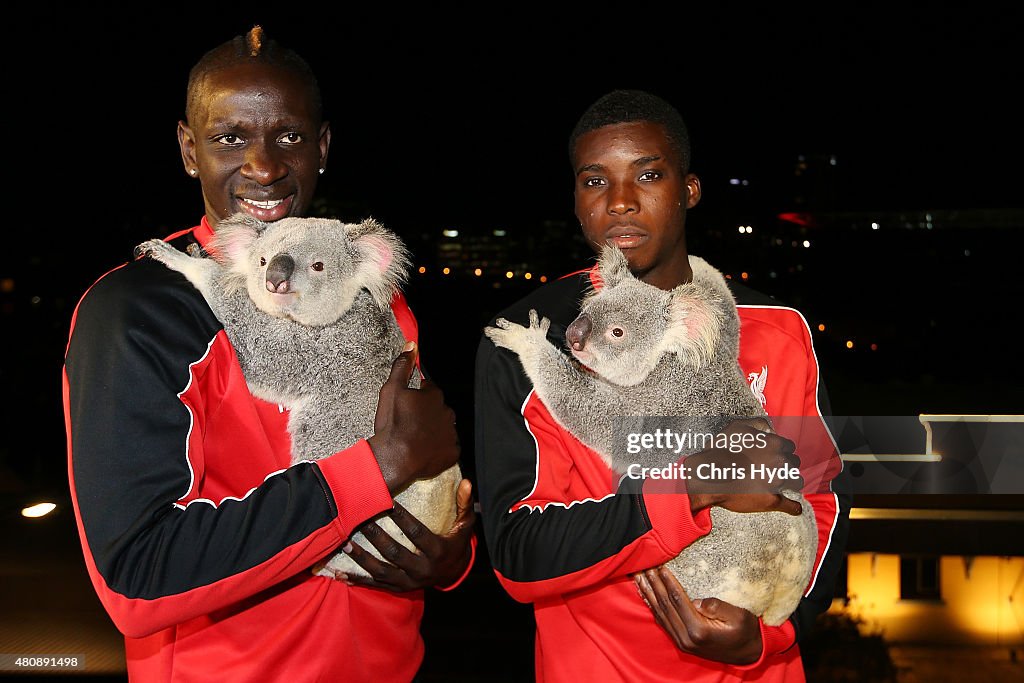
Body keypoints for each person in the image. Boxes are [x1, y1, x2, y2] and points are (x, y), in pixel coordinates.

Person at [63, 25, 476, 682]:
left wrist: (451, 558)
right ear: (189, 150)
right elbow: (138, 577)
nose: (265, 165)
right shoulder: (137, 310)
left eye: (288, 136)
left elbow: (425, 477)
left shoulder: (371, 293)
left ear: (322, 147)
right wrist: (372, 470)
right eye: (231, 137)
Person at [474, 89, 851, 681]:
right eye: (595, 181)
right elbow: (520, 554)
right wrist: (696, 488)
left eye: (647, 175)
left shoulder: (778, 329)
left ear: (689, 189)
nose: (621, 202)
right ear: (575, 198)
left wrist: (773, 637)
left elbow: (825, 506)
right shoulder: (539, 338)